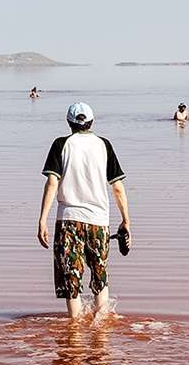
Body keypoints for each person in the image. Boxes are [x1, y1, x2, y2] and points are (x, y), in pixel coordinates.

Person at [37, 102, 131, 319]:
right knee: (100, 275)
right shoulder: (104, 145)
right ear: (91, 122)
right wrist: (126, 221)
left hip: (68, 220)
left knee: (71, 279)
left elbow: (52, 183)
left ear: (68, 122)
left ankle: (74, 332)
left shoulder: (61, 144)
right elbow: (117, 187)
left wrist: (42, 220)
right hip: (99, 221)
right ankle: (102, 329)